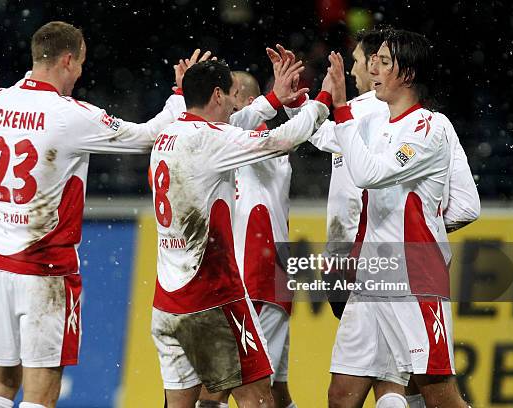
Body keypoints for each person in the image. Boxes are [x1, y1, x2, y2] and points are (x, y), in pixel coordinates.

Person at [0, 21, 184, 408]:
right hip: (43, 269)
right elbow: (147, 137)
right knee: (41, 392)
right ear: (68, 60)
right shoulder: (69, 115)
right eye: (81, 64)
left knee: (1, 383)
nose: (81, 73)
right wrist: (178, 95)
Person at [150, 58, 331, 407]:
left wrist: (274, 100)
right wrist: (322, 101)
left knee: (181, 401)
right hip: (212, 295)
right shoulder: (212, 139)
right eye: (231, 98)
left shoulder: (167, 135)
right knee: (256, 396)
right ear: (218, 94)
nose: (235, 106)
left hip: (168, 299)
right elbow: (280, 139)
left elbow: (236, 124)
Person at [317, 30, 470, 407]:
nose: (374, 69)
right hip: (370, 273)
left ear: (409, 73)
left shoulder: (429, 128)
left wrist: (340, 109)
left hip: (413, 276)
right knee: (341, 396)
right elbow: (317, 136)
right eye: (374, 61)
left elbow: (370, 174)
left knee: (439, 395)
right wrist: (295, 103)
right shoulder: (374, 124)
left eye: (385, 62)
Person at [196, 70, 299, 408]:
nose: (220, 102)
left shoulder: (264, 143)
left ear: (242, 100)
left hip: (257, 274)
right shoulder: (226, 143)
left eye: (225, 94)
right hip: (250, 277)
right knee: (274, 390)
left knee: (221, 389)